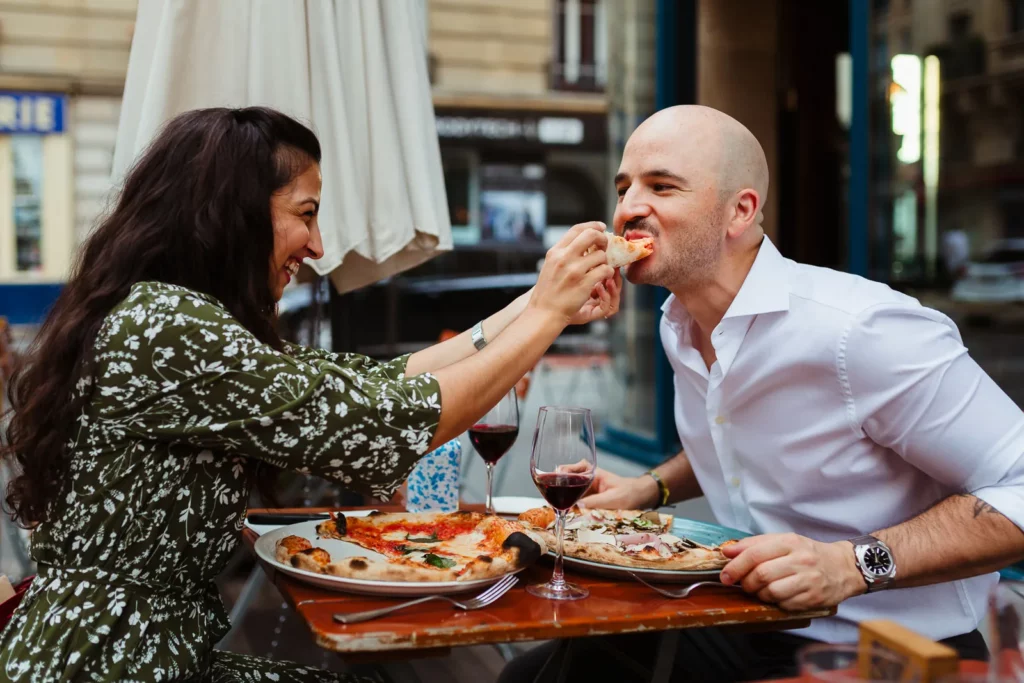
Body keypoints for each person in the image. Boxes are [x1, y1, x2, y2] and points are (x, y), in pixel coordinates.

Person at [0, 107, 621, 683]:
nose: (318, 245)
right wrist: (546, 314)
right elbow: (379, 426)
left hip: (136, 656)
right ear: (234, 211)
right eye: (306, 213)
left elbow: (375, 384)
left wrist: (535, 305)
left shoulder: (164, 311)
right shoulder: (169, 325)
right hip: (111, 665)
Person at [500, 105, 1024, 682]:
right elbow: (741, 438)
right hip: (743, 621)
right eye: (624, 188)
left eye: (662, 187)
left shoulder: (861, 330)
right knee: (534, 676)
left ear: (740, 211)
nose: (627, 210)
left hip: (893, 652)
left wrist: (851, 564)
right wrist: (648, 489)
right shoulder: (678, 322)